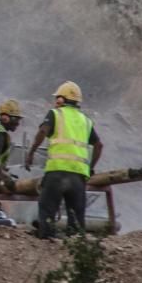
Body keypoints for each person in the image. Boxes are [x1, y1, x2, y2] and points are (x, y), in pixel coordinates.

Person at [23, 81, 103, 238]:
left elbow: (43, 131)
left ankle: (47, 244)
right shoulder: (86, 121)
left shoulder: (55, 114)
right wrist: (90, 168)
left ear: (61, 99)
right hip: (78, 176)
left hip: (57, 172)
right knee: (77, 224)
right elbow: (99, 145)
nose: (55, 101)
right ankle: (76, 252)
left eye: (57, 98)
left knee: (47, 211)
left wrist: (31, 152)